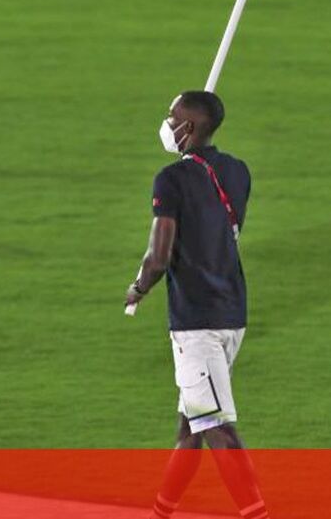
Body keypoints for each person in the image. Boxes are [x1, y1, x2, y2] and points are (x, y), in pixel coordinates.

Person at [125, 91, 269, 519]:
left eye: (172, 117)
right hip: (232, 312)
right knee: (193, 425)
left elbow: (159, 257)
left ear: (188, 127)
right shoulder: (238, 171)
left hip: (196, 323)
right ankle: (161, 511)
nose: (167, 123)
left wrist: (138, 287)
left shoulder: (170, 180)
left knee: (217, 427)